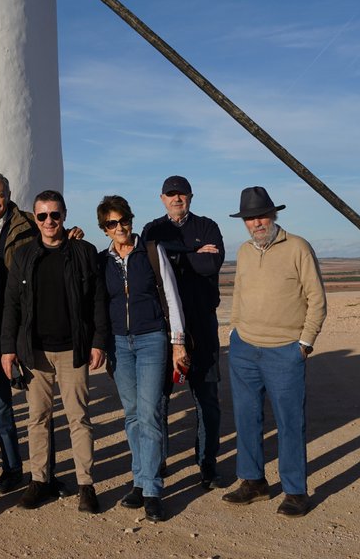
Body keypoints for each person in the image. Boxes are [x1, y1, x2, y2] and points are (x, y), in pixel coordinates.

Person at [0, 171, 85, 495]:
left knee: (38, 407)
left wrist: (72, 236)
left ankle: (45, 475)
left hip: (20, 321)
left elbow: (52, 242)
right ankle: (12, 468)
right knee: (0, 404)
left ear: (8, 194)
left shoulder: (29, 222)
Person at [0, 190, 110, 514]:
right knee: (37, 419)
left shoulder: (84, 251)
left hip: (72, 351)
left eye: (55, 215)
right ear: (35, 219)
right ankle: (39, 481)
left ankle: (86, 485)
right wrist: (8, 349)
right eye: (42, 216)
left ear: (64, 215)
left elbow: (97, 301)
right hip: (34, 353)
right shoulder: (23, 255)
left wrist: (99, 341)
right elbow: (12, 305)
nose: (49, 221)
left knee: (79, 418)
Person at [221, 186, 327, 518]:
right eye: (250, 218)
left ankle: (295, 490)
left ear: (273, 215)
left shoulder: (298, 247)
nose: (256, 223)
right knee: (246, 418)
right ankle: (253, 483)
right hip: (244, 348)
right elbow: (238, 291)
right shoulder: (244, 251)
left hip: (285, 351)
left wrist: (305, 343)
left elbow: (317, 300)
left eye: (261, 215)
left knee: (289, 422)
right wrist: (234, 328)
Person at [96, 195, 186, 523]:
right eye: (111, 223)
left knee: (149, 413)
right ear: (104, 229)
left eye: (124, 221)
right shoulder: (101, 261)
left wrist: (178, 342)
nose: (119, 228)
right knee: (132, 414)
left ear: (131, 220)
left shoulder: (150, 251)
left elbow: (172, 298)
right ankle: (138, 479)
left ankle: (151, 489)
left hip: (151, 340)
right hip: (119, 344)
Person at [141, 175, 225, 488]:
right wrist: (193, 253)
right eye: (171, 195)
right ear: (162, 198)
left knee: (207, 398)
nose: (177, 199)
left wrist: (172, 255)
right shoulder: (153, 230)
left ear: (191, 196)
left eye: (182, 194)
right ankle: (158, 459)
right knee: (159, 398)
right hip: (163, 327)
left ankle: (207, 462)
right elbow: (149, 268)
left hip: (202, 323)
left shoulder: (207, 226)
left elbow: (210, 266)